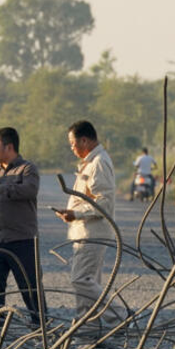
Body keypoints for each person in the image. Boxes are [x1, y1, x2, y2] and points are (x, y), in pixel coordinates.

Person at [0, 127, 44, 328]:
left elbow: (30, 190)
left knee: (30, 287)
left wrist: (1, 189)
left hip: (22, 238)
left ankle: (41, 327)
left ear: (9, 146)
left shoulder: (27, 169)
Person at [56, 121, 124, 330]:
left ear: (84, 140)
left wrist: (76, 213)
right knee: (89, 282)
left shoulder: (98, 163)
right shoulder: (91, 162)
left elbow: (104, 202)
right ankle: (88, 328)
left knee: (81, 279)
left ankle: (120, 318)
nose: (72, 148)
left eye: (72, 143)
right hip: (83, 231)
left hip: (92, 232)